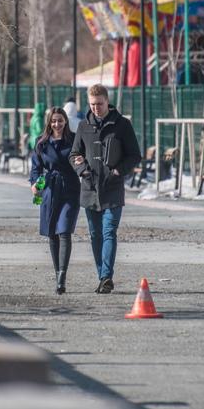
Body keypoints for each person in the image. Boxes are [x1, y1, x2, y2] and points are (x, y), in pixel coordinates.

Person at [69, 84, 141, 293]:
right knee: (95, 235)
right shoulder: (83, 126)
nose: (96, 108)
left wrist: (118, 171)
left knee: (109, 232)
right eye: (92, 104)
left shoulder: (122, 125)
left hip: (112, 188)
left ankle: (106, 276)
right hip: (90, 188)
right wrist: (82, 169)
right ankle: (103, 276)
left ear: (107, 102)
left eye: (99, 104)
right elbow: (74, 154)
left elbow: (134, 155)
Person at [29, 108, 80, 295]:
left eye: (60, 120)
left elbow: (83, 160)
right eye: (53, 121)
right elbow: (36, 168)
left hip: (70, 189)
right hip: (49, 189)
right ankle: (57, 272)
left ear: (65, 121)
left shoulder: (75, 140)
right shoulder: (41, 143)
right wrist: (34, 183)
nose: (57, 124)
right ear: (49, 123)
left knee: (64, 231)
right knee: (52, 233)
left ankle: (62, 277)